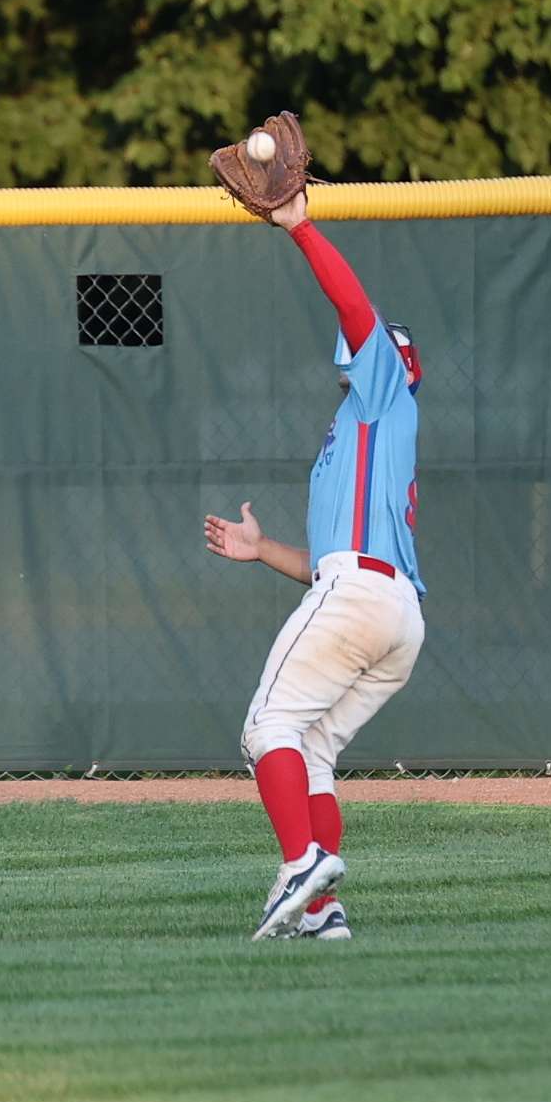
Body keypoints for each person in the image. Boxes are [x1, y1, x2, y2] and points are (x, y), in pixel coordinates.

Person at [204, 182, 425, 942]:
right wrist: (262, 549)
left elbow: (354, 306)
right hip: (392, 614)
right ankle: (323, 910)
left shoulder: (384, 392)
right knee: (315, 749)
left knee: (266, 726)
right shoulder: (361, 432)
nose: (356, 346)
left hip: (361, 596)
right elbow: (335, 564)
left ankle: (302, 863)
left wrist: (299, 226)